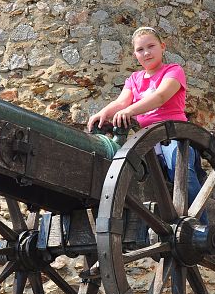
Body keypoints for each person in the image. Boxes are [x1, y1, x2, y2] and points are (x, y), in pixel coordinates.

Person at [87, 26, 207, 222]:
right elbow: (121, 102)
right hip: (146, 141)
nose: (146, 53)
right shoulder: (134, 79)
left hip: (174, 138)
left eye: (151, 46)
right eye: (140, 49)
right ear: (135, 54)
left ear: (162, 46)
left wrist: (130, 111)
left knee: (181, 173)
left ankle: (199, 226)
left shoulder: (173, 71)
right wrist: (103, 113)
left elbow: (160, 97)